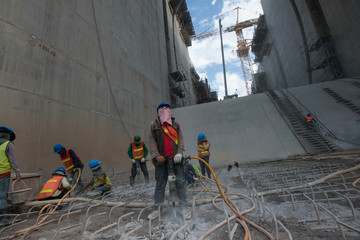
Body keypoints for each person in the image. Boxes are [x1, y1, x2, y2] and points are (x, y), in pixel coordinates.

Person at [148, 102, 187, 219]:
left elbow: (181, 140)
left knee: (180, 182)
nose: (164, 109)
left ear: (170, 111)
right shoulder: (154, 125)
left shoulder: (176, 125)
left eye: (167, 108)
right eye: (162, 108)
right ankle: (157, 208)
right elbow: (152, 141)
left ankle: (183, 208)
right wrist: (156, 155)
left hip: (176, 160)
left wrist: (180, 152)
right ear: (158, 112)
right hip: (161, 161)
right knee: (160, 184)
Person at [0, 127, 21, 225]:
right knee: (2, 197)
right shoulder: (8, 144)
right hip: (3, 174)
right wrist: (17, 171)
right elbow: (13, 159)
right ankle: (5, 219)